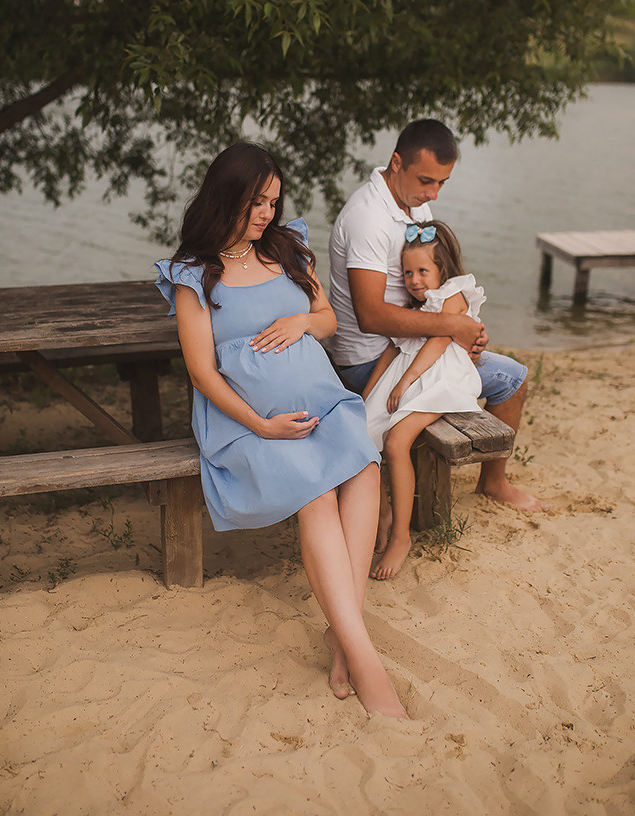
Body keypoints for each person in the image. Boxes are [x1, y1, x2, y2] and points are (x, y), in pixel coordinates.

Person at [155, 141, 406, 718]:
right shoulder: (194, 274)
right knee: (316, 493)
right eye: (255, 202)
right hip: (247, 421)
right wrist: (261, 426)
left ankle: (345, 637)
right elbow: (201, 371)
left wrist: (301, 320)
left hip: (321, 401)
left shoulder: (288, 247)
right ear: (227, 197)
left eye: (272, 200)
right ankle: (364, 659)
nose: (266, 213)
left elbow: (328, 320)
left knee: (364, 470)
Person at [328, 118, 548, 550]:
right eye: (426, 180)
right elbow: (371, 315)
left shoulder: (415, 208)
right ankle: (492, 483)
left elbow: (438, 285)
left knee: (496, 368)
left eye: (442, 183)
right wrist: (452, 326)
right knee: (514, 378)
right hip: (370, 358)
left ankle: (491, 483)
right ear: (396, 163)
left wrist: (464, 328)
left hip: (409, 345)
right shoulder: (368, 218)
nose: (433, 194)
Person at [362, 220, 485, 579]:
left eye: (422, 271)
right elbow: (391, 348)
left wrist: (406, 380)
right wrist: (366, 395)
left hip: (439, 377)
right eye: (408, 272)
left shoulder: (454, 292)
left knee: (397, 441)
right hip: (406, 376)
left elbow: (441, 338)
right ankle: (383, 510)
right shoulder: (413, 308)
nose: (414, 279)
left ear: (442, 268)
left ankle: (401, 536)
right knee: (362, 432)